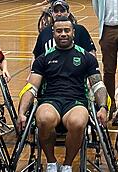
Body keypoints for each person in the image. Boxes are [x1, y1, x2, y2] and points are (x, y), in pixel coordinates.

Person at [17, 16, 109, 172]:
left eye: (67, 30)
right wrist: (21, 112)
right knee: (44, 119)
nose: (63, 34)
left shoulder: (86, 57)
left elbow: (98, 85)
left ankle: (67, 164)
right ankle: (51, 162)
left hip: (76, 102)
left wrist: (103, 107)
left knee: (78, 122)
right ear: (53, 33)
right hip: (50, 101)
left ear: (73, 32)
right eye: (59, 31)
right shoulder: (43, 59)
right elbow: (31, 87)